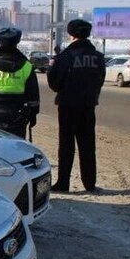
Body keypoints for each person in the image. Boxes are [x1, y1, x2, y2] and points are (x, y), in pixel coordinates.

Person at [47, 19, 106, 193]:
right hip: (88, 105)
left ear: (71, 34)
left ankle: (63, 183)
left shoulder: (65, 57)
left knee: (66, 145)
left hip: (67, 106)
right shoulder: (98, 57)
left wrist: (51, 69)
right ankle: (89, 183)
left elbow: (55, 85)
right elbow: (100, 80)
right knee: (88, 145)